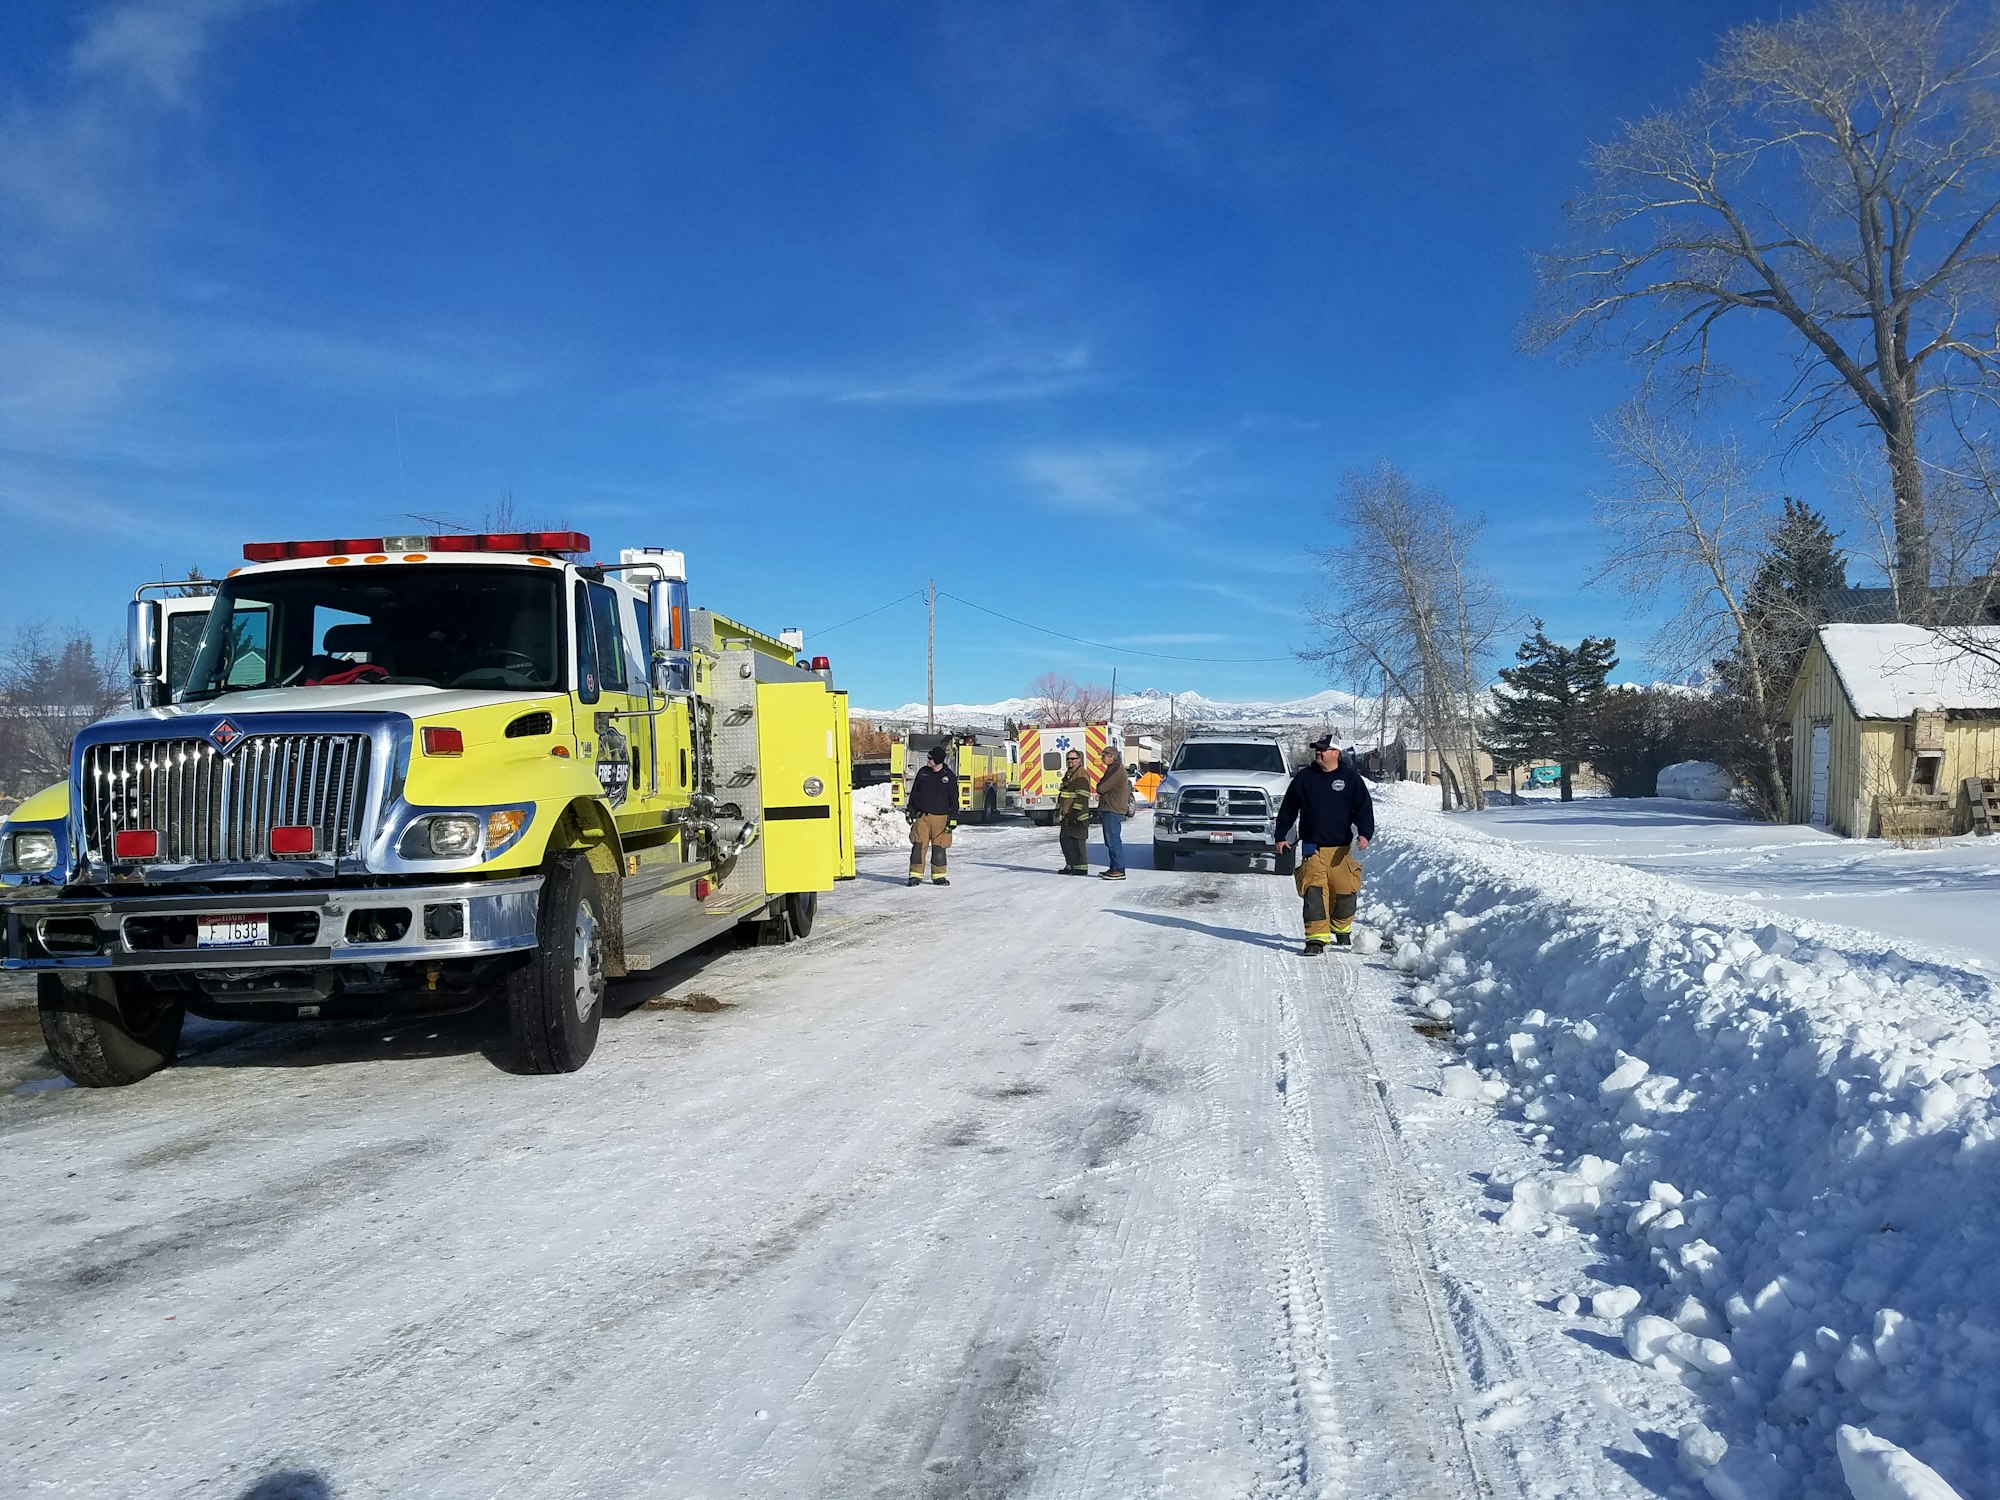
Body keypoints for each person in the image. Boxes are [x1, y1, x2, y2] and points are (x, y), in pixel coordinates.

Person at [1273, 735, 1375, 956]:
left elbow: (1364, 808)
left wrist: (1365, 834)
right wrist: (1281, 836)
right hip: (1313, 849)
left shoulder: (1350, 779)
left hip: (1341, 850)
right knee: (1314, 893)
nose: (1319, 753)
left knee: (1346, 892)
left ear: (1336, 753)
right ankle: (1316, 939)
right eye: (1317, 750)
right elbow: (1288, 809)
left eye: (1323, 750)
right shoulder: (1304, 779)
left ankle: (1340, 928)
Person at [905, 745, 958, 887]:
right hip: (922, 817)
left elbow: (954, 799)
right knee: (918, 847)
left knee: (939, 848)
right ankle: (915, 876)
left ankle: (939, 877)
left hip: (941, 818)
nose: (928, 760)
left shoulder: (949, 777)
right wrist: (910, 809)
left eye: (930, 758)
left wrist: (953, 818)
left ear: (938, 760)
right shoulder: (923, 773)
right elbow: (915, 792)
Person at [1095, 752, 1133, 880]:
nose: (1102, 758)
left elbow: (1101, 787)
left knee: (1113, 840)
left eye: (1104, 755)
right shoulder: (1113, 768)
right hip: (1110, 808)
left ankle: (1118, 869)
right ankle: (1114, 867)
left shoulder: (1116, 769)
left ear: (1112, 757)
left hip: (1112, 809)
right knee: (1110, 839)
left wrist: (1100, 786)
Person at [1055, 748, 1092, 874]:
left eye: (1073, 759)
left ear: (1079, 760)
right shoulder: (1070, 773)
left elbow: (1082, 795)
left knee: (1077, 841)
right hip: (1066, 813)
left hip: (1077, 814)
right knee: (1065, 840)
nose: (1070, 761)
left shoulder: (1081, 774)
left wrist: (1075, 812)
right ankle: (1070, 865)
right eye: (1068, 759)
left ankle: (1081, 868)